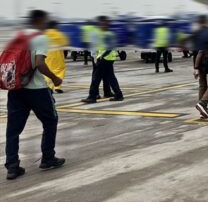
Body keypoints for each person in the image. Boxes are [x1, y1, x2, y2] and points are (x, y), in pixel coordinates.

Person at [5, 10, 66, 180]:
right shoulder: (40, 37)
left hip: (16, 89)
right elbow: (39, 63)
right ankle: (47, 158)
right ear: (39, 20)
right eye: (45, 21)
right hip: (37, 89)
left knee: (13, 130)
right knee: (50, 120)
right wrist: (54, 78)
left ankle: (12, 166)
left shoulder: (18, 36)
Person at [81, 16, 123, 103]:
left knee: (96, 78)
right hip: (107, 59)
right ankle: (118, 94)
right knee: (109, 77)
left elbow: (109, 48)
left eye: (102, 23)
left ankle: (92, 96)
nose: (101, 25)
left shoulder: (107, 34)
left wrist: (101, 56)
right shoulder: (107, 33)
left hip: (105, 59)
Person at [192, 15, 208, 118]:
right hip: (207, 63)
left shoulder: (195, 33)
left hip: (198, 64)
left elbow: (194, 52)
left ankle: (202, 111)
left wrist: (195, 68)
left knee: (202, 86)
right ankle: (203, 105)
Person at [44, 21, 69, 94]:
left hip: (47, 56)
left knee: (48, 70)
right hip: (58, 55)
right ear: (55, 26)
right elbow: (65, 44)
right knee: (61, 70)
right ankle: (57, 86)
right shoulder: (60, 34)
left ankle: (49, 87)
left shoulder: (44, 34)